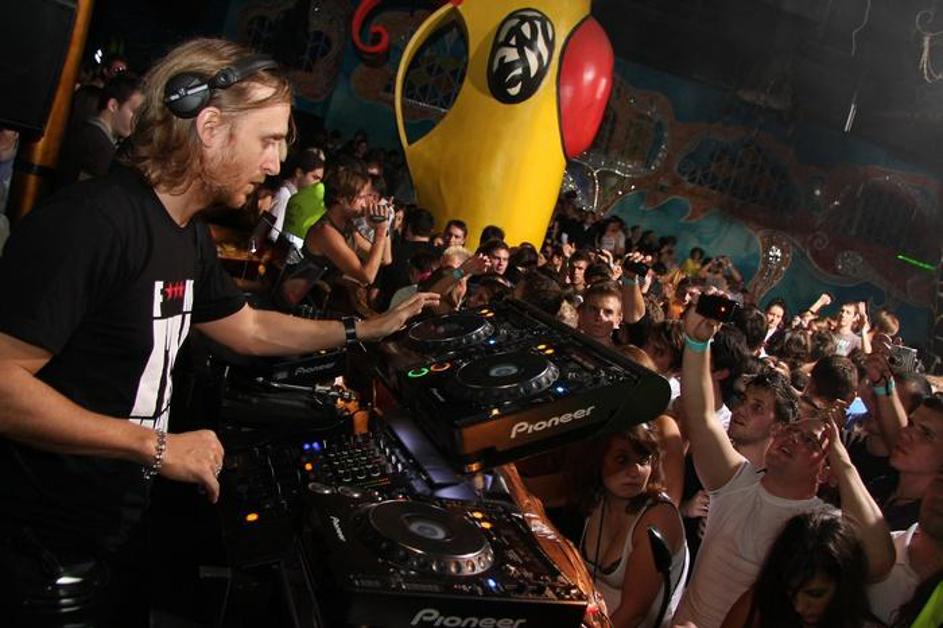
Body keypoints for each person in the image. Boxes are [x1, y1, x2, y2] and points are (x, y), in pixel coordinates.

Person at [0, 38, 437, 626]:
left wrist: (364, 328)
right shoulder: (95, 223)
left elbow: (248, 327)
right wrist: (155, 447)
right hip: (41, 552)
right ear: (209, 127)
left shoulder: (185, 232)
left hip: (113, 529)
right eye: (268, 140)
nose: (276, 163)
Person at [672, 291, 894, 628]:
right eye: (791, 430)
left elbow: (880, 561)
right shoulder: (735, 481)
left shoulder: (817, 526)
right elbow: (701, 416)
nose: (792, 438)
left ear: (826, 470)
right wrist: (697, 342)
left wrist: (844, 464)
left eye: (809, 441)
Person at [576, 425, 688, 627]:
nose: (635, 471)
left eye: (644, 460)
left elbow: (633, 614)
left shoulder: (658, 517)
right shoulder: (597, 500)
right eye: (622, 460)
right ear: (597, 459)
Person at [720, 512, 874, 628]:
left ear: (846, 584)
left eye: (815, 594)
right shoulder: (762, 604)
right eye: (789, 590)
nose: (799, 607)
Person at [302, 165, 393, 315]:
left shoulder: (347, 226)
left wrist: (383, 225)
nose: (367, 203)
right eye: (362, 197)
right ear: (342, 198)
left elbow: (385, 259)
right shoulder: (326, 232)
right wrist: (380, 231)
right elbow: (367, 276)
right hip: (307, 308)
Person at [57, 73, 144, 187]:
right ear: (113, 105)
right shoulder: (99, 147)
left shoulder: (86, 132)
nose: (137, 121)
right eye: (134, 112)